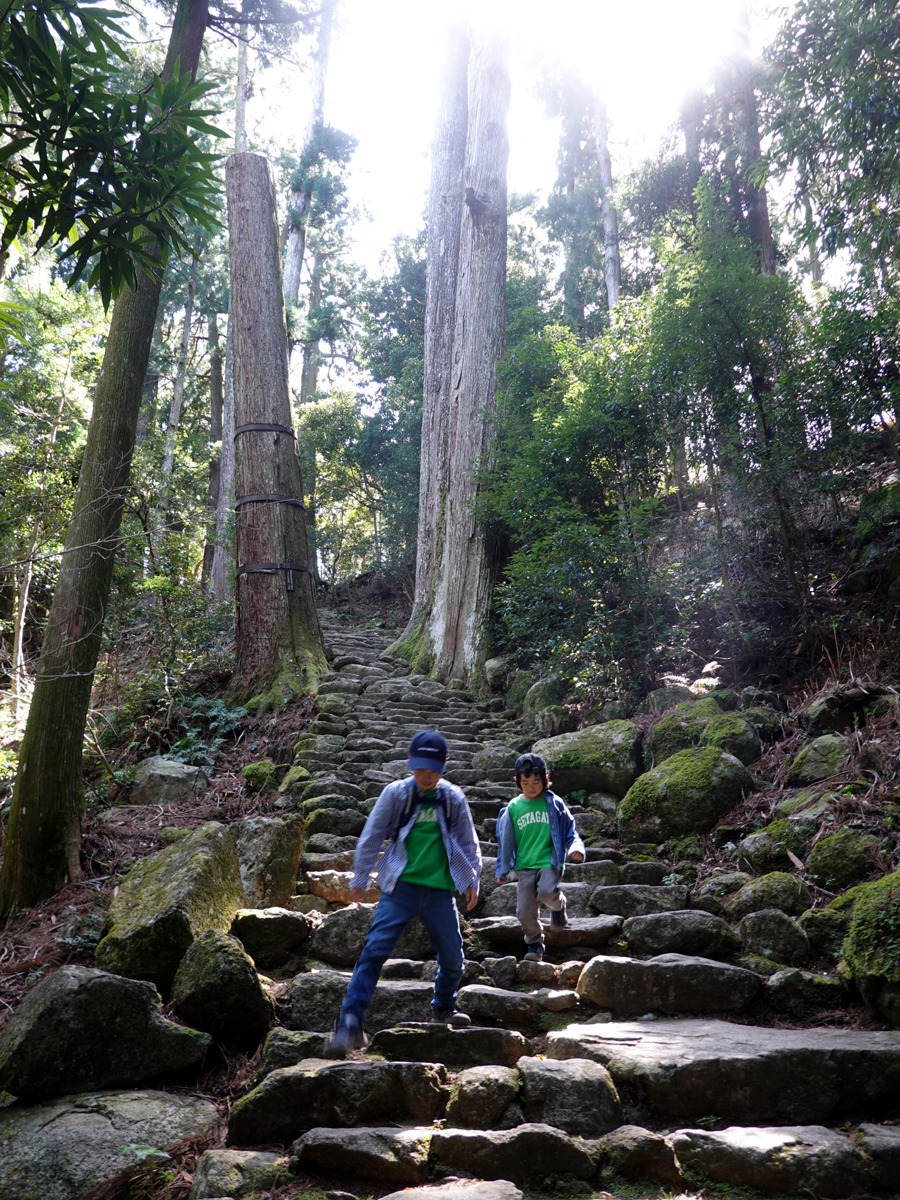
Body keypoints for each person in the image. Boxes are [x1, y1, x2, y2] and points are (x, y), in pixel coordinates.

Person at [325, 729, 482, 1057]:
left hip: (439, 891)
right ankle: (351, 1021)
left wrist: (472, 879)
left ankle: (443, 1007)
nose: (426, 776)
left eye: (434, 769)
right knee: (374, 951)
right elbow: (372, 835)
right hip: (400, 888)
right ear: (410, 763)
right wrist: (360, 877)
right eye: (421, 768)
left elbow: (468, 842)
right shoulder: (396, 794)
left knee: (453, 956)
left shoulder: (453, 798)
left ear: (445, 765)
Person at [495, 752, 585, 962]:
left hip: (549, 862)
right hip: (524, 866)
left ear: (545, 780)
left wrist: (575, 848)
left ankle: (558, 905)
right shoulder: (513, 808)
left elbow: (570, 831)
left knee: (546, 893)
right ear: (518, 782)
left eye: (537, 781)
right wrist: (502, 869)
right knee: (524, 911)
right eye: (526, 782)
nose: (532, 786)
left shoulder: (554, 804)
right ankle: (535, 943)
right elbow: (506, 841)